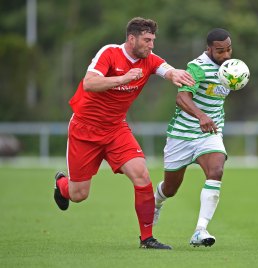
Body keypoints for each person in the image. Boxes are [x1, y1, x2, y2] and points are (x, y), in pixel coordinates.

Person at [52, 17, 195, 250]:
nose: (151, 45)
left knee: (142, 175)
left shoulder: (149, 60)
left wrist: (175, 74)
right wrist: (123, 78)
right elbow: (89, 83)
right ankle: (61, 184)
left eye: (153, 40)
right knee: (79, 194)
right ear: (132, 38)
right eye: (147, 40)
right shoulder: (110, 53)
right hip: (84, 130)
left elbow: (166, 70)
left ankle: (147, 239)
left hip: (116, 129)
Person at [153, 28, 233, 247]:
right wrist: (201, 116)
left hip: (210, 132)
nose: (225, 55)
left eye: (228, 49)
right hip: (182, 135)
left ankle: (200, 230)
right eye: (220, 51)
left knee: (216, 171)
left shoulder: (231, 67)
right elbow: (181, 98)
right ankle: (156, 203)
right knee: (170, 189)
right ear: (208, 49)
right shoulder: (196, 67)